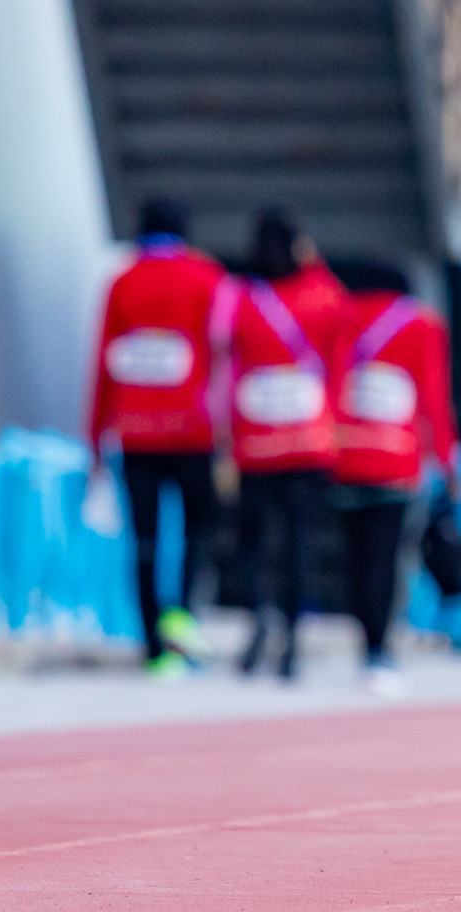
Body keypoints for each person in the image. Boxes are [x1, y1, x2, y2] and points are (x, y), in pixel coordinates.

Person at [89, 199, 232, 678]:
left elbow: (103, 366)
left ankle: (154, 646)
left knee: (145, 540)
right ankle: (183, 623)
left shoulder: (121, 282)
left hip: (135, 433)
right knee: (198, 532)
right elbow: (224, 358)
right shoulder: (208, 277)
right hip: (193, 433)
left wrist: (95, 438)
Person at [330, 264, 460, 694]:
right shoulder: (422, 325)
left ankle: (363, 638)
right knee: (386, 558)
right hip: (395, 460)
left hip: (345, 454)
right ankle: (379, 651)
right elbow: (434, 398)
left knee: (354, 558)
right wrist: (447, 462)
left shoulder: (339, 316)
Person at [230, 209, 346, 680]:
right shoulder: (320, 296)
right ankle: (294, 639)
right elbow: (341, 326)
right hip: (306, 441)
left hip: (256, 441)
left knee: (253, 539)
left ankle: (259, 612)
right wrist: (313, 261)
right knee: (299, 541)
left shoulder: (244, 301)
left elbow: (230, 371)